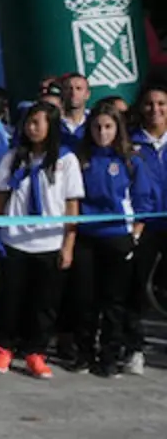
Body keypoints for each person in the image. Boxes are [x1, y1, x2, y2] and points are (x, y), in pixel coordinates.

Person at [0, 102, 83, 380]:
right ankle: (4, 346)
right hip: (15, 241)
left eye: (38, 123)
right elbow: (1, 198)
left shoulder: (66, 160)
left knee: (44, 303)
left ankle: (35, 352)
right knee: (10, 298)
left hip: (49, 242)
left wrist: (68, 244)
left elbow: (71, 205)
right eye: (29, 122)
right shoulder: (12, 157)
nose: (32, 128)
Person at [72, 102, 149, 377]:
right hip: (86, 237)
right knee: (85, 298)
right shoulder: (80, 158)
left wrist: (134, 236)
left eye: (108, 127)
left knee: (114, 301)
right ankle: (84, 352)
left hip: (117, 236)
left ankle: (109, 355)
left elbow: (143, 202)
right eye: (97, 127)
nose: (102, 133)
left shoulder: (130, 160)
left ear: (118, 129)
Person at [127, 84, 167, 376]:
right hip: (144, 224)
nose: (156, 110)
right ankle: (134, 348)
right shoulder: (131, 145)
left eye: (162, 104)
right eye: (150, 104)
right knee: (136, 286)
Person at [59, 73, 90, 147]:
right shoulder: (53, 121)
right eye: (68, 88)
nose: (73, 93)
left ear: (87, 94)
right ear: (62, 93)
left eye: (78, 88)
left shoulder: (94, 122)